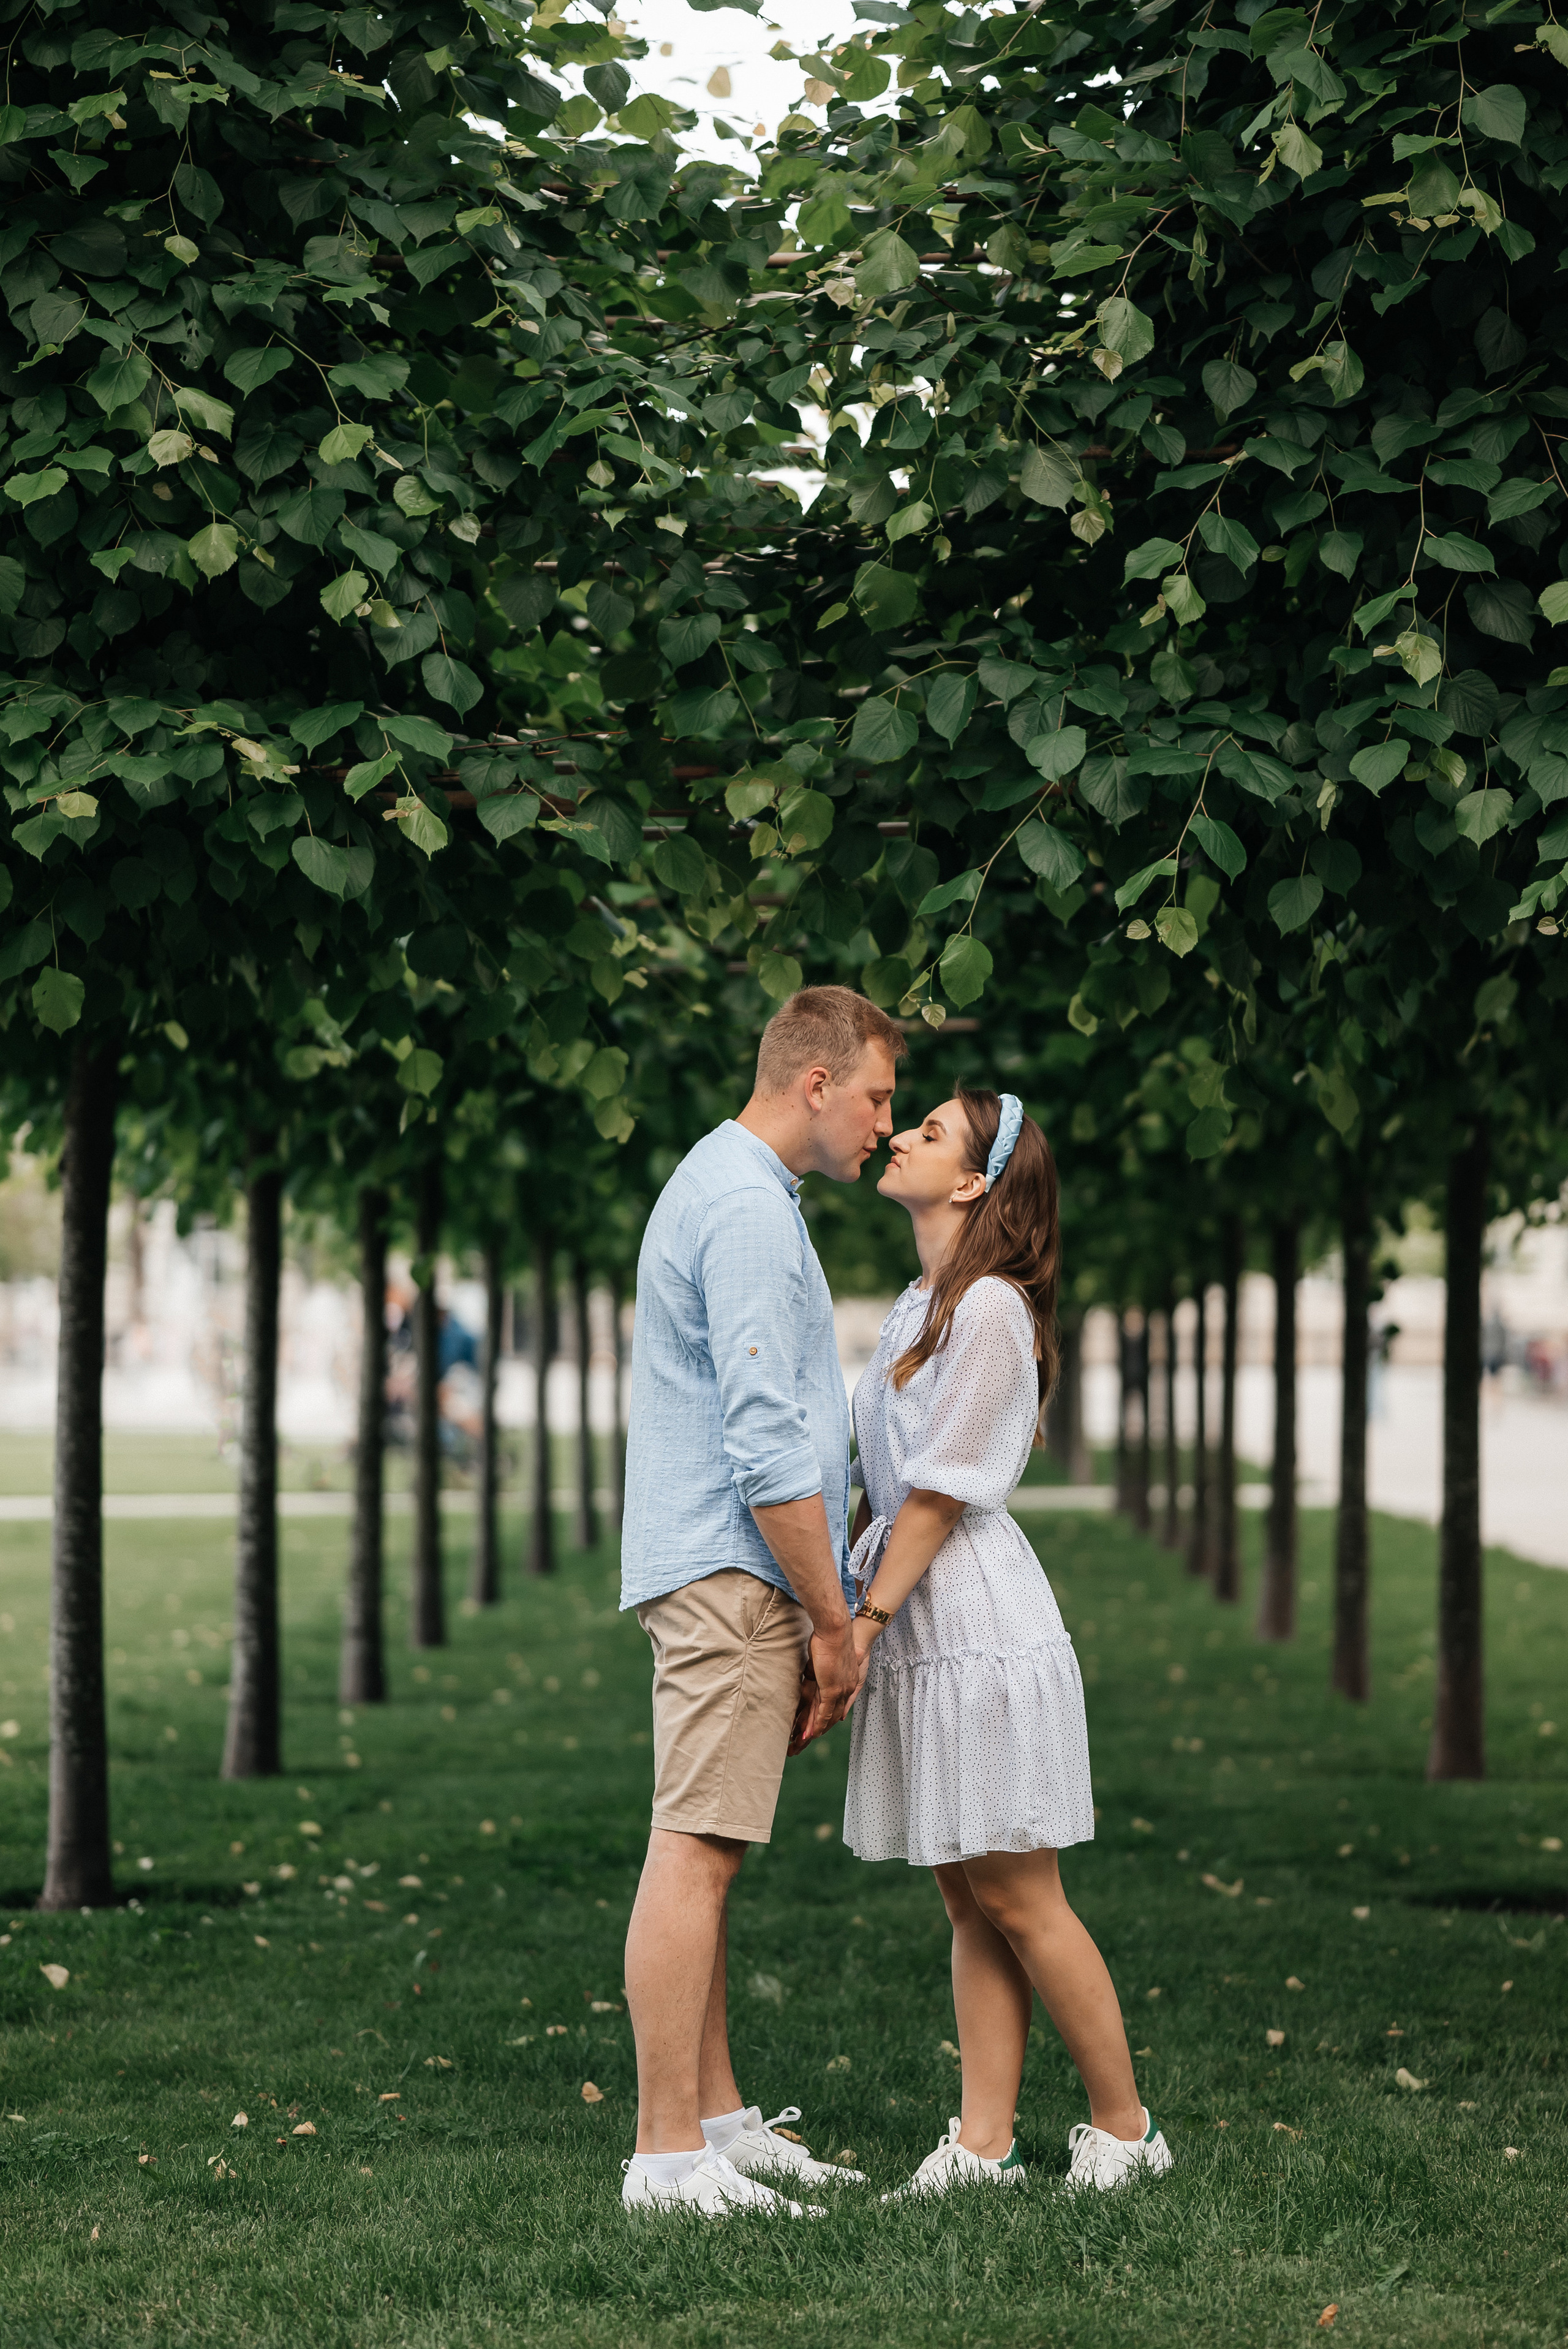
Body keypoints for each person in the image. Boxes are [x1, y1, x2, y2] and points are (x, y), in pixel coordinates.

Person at [843, 1089, 1171, 2199]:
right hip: (920, 1612)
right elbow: (886, 1480)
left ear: (976, 1182)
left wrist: (866, 1617)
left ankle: (1127, 2130)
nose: (898, 1134)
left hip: (969, 1618)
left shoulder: (985, 1307)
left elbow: (936, 1496)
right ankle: (984, 2143)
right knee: (969, 1892)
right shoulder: (918, 1302)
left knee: (1023, 1891)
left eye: (928, 1132)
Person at [617, 986, 906, 2218]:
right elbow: (765, 1442)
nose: (884, 1128)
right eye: (879, 1097)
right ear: (815, 1082)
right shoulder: (739, 1206)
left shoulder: (741, 1192)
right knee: (691, 1851)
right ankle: (665, 2159)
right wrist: (834, 1621)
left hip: (728, 1569)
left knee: (711, 1851)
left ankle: (716, 2125)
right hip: (731, 1574)